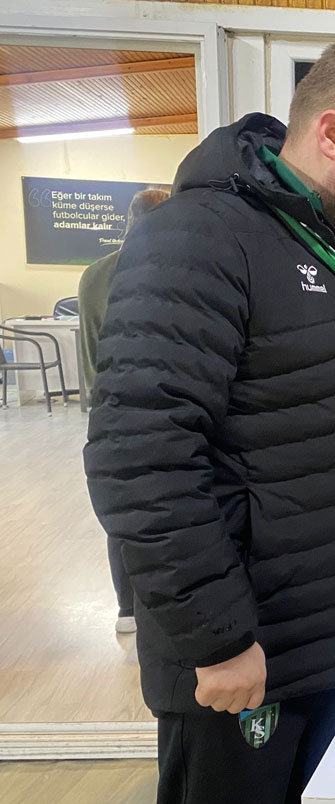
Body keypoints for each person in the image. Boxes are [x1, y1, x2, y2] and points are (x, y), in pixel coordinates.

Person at [83, 41, 335, 804]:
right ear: (331, 132)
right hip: (244, 655)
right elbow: (140, 456)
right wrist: (216, 640)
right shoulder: (200, 239)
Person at [76, 186, 170, 634]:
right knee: (163, 509)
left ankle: (126, 608)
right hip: (151, 409)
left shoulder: (93, 274)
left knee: (121, 512)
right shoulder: (159, 268)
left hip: (102, 409)